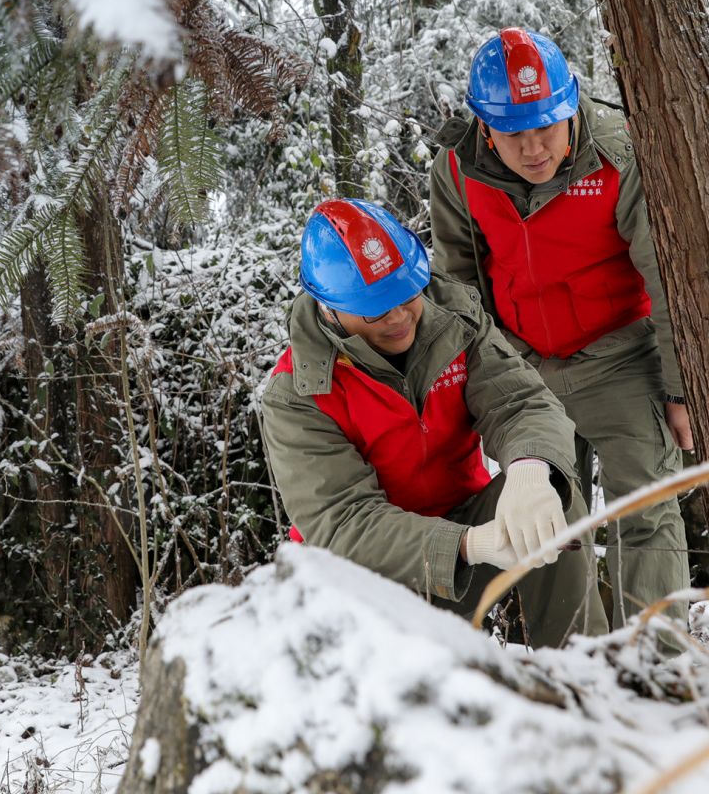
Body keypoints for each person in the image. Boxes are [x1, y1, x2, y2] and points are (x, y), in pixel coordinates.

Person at [258, 197, 606, 645]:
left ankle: (582, 674)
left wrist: (530, 471)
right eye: (377, 310)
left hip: (469, 523)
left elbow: (519, 401)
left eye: (407, 295)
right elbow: (343, 523)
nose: (401, 317)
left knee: (553, 494)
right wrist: (467, 545)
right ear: (329, 309)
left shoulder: (453, 316)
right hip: (362, 582)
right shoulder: (296, 393)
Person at [429, 27, 691, 621]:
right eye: (514, 133)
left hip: (620, 357)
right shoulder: (456, 170)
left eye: (547, 124)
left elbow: (667, 279)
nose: (534, 148)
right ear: (484, 128)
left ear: (571, 105)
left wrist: (678, 391)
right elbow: (459, 282)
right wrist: (483, 385)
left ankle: (657, 668)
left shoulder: (618, 153)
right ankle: (580, 673)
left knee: (647, 512)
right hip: (524, 371)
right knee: (548, 526)